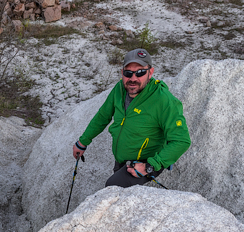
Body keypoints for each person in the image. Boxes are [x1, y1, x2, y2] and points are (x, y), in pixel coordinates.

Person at [71, 48, 190, 188]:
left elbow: (181, 140)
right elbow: (103, 116)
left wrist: (149, 166)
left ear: (150, 72)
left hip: (145, 162)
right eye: (128, 73)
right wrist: (83, 142)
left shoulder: (164, 101)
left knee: (112, 187)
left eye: (140, 72)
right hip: (123, 160)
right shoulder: (120, 89)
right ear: (122, 73)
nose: (133, 78)